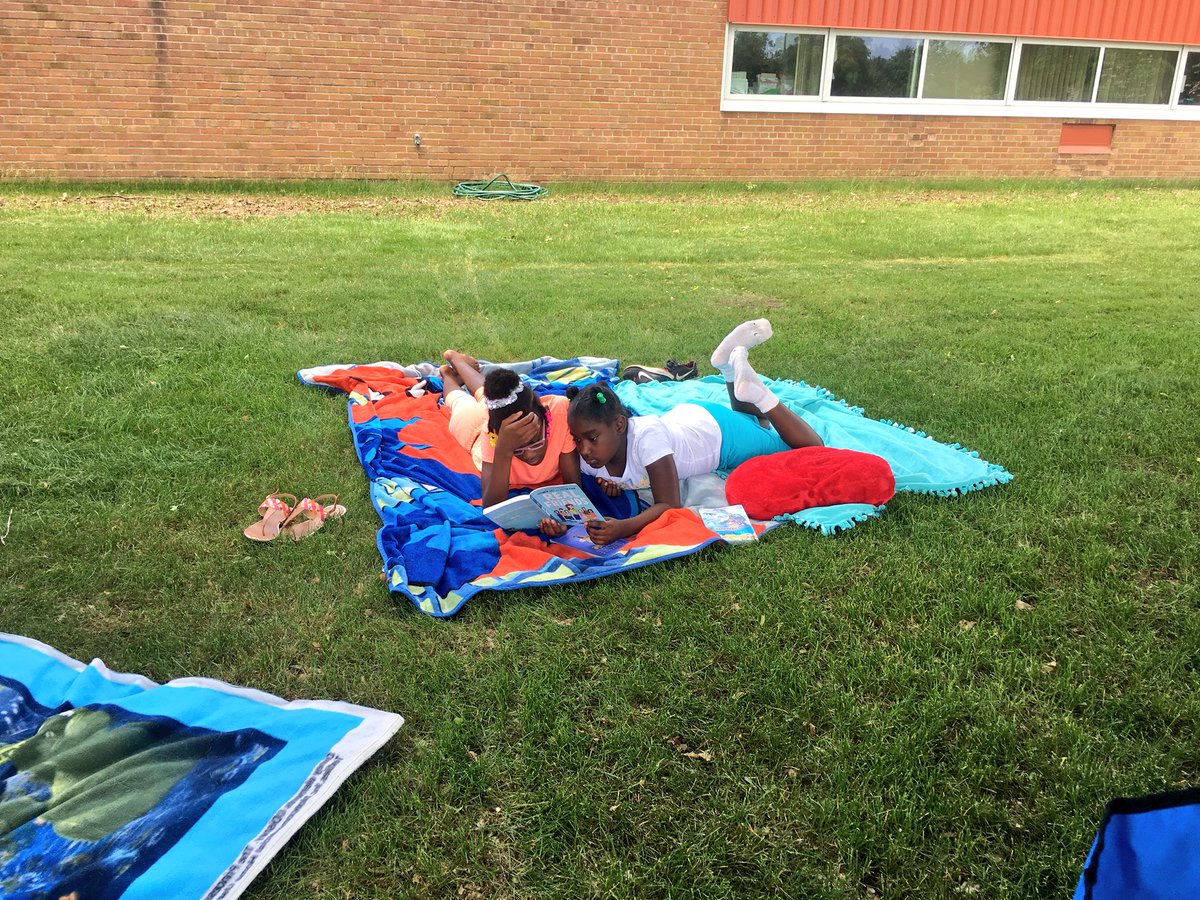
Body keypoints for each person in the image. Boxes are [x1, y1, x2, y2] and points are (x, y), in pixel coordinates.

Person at [557, 320, 824, 545]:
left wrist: (625, 527)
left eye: (592, 439)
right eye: (577, 440)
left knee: (812, 450)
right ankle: (728, 368)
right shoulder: (590, 461)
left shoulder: (647, 440)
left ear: (619, 425)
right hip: (692, 417)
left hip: (720, 436)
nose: (584, 450)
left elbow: (669, 503)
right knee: (753, 420)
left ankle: (761, 395)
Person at [439, 350, 582, 511]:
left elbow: (575, 490)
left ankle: (456, 359)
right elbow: (492, 507)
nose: (529, 454)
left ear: (544, 416)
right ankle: (448, 375)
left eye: (535, 442)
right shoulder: (490, 434)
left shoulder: (559, 411)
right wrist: (504, 450)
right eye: (518, 449)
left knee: (485, 394)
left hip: (498, 413)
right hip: (473, 427)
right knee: (459, 401)